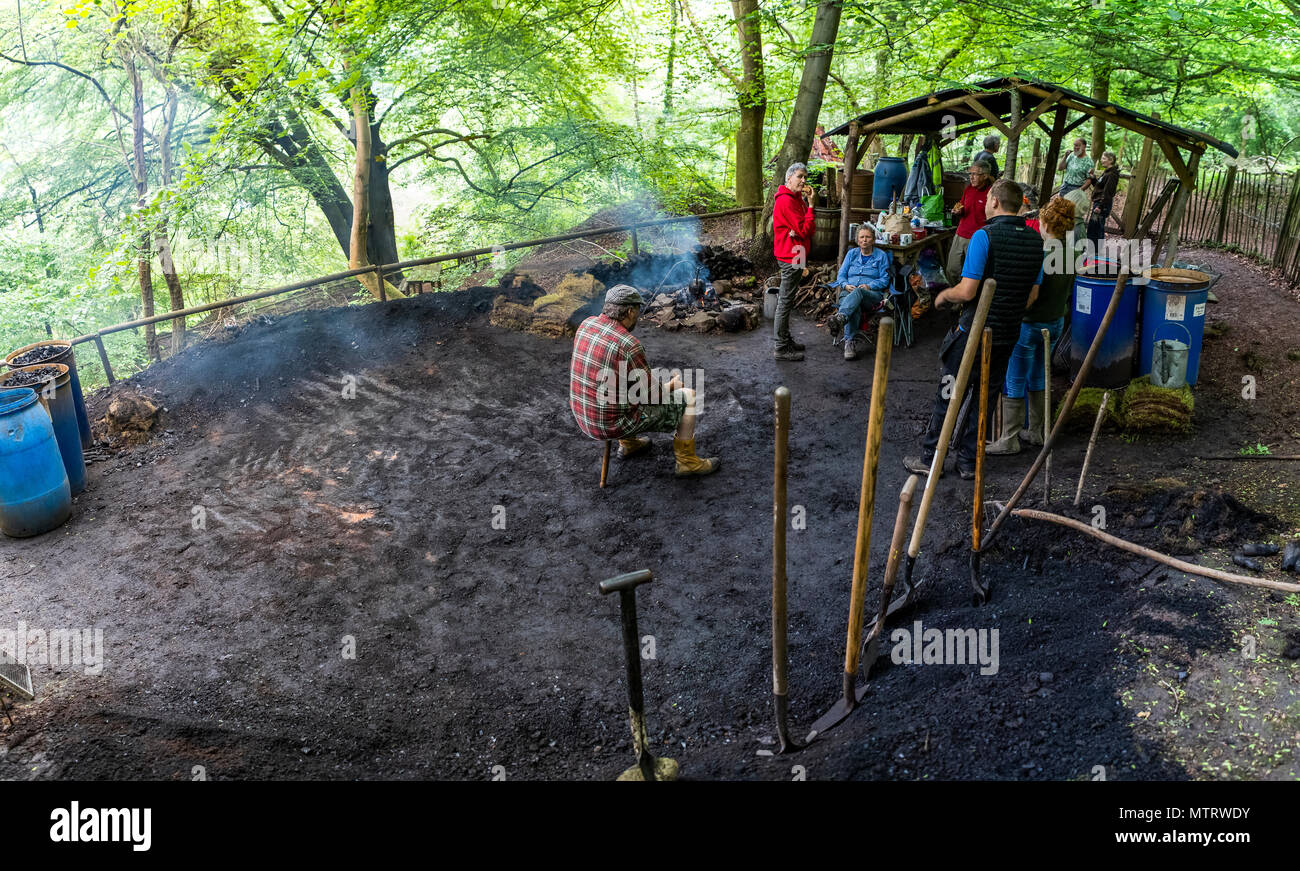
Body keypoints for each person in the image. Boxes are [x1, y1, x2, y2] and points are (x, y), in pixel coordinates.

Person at [904, 178, 1045, 479]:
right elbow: (1032, 297)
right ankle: (969, 462)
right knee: (985, 397)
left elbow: (968, 292)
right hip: (1007, 333)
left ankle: (932, 460)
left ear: (994, 200)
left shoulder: (985, 236)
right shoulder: (1037, 242)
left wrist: (943, 296)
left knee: (949, 392)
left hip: (973, 332)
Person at [569, 284, 719, 477]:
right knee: (689, 397)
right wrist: (672, 386)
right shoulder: (628, 345)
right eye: (638, 311)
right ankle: (687, 463)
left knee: (624, 381)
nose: (638, 317)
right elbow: (652, 397)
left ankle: (629, 444)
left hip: (584, 415)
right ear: (630, 311)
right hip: (609, 424)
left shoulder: (586, 324)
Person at [986, 196, 1077, 454]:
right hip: (1056, 322)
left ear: (1045, 222)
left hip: (1030, 324)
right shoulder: (1073, 253)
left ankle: (1009, 438)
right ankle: (1036, 431)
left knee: (1014, 377)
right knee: (1039, 374)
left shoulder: (1039, 253)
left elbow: (1030, 294)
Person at [826, 224, 893, 360]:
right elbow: (841, 275)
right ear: (857, 240)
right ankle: (849, 344)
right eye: (861, 237)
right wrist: (845, 285)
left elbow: (885, 279)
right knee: (854, 305)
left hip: (871, 295)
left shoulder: (881, 256)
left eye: (868, 237)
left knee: (859, 293)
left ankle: (840, 319)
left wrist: (869, 286)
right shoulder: (852, 254)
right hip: (848, 293)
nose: (864, 240)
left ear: (873, 240)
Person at [772, 162, 816, 362]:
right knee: (785, 301)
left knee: (789, 300)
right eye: (800, 176)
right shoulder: (786, 201)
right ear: (789, 178)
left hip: (798, 253)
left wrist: (798, 232)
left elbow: (803, 230)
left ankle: (786, 339)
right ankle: (780, 347)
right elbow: (806, 229)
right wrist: (812, 207)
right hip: (790, 257)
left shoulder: (798, 199)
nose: (803, 180)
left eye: (805, 177)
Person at [945, 159, 995, 285]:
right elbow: (962, 207)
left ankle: (966, 301)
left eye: (974, 174)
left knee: (972, 274)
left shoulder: (991, 193)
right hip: (961, 234)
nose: (971, 177)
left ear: (984, 176)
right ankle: (956, 297)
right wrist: (958, 211)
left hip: (977, 238)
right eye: (970, 174)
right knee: (952, 269)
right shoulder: (968, 189)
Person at [1084, 151, 1120, 245]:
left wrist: (1100, 207)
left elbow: (1108, 192)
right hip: (1099, 203)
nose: (1101, 160)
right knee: (1094, 226)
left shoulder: (1112, 174)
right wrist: (1093, 178)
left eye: (1104, 158)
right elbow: (1099, 186)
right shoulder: (1107, 172)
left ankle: (1095, 250)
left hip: (1102, 204)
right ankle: (1091, 248)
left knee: (1096, 227)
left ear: (1111, 160)